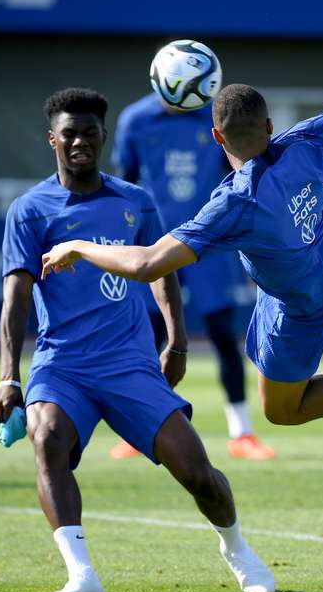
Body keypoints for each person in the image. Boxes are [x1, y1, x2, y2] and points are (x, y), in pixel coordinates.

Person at [40, 0, 323, 429]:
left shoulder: (233, 204)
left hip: (305, 301)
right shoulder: (304, 141)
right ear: (271, 125)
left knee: (282, 411)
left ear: (216, 138)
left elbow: (147, 265)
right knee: (280, 235)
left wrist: (77, 245)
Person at [0, 88, 275, 592]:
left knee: (198, 473)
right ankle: (81, 574)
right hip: (63, 365)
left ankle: (237, 549)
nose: (80, 141)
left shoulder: (135, 202)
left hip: (130, 364)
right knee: (47, 437)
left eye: (89, 132)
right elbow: (15, 298)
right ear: (52, 139)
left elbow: (161, 273)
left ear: (104, 137)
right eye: (69, 133)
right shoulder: (29, 211)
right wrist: (10, 375)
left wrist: (178, 343)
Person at [110, 80, 274, 461]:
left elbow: (239, 171)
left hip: (210, 242)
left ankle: (242, 433)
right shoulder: (135, 119)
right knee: (147, 339)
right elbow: (125, 182)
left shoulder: (215, 117)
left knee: (222, 334)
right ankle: (140, 429)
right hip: (156, 245)